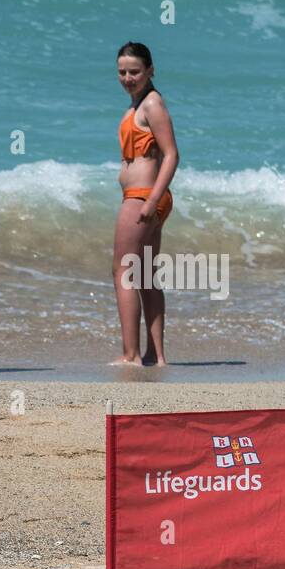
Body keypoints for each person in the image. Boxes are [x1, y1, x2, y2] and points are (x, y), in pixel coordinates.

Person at [112, 41, 178, 366]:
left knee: (124, 272)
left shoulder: (152, 104)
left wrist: (151, 200)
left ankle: (131, 355)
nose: (128, 77)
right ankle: (156, 356)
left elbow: (172, 155)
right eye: (122, 72)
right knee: (147, 276)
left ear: (150, 70)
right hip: (145, 198)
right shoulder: (136, 105)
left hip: (143, 198)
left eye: (135, 71)